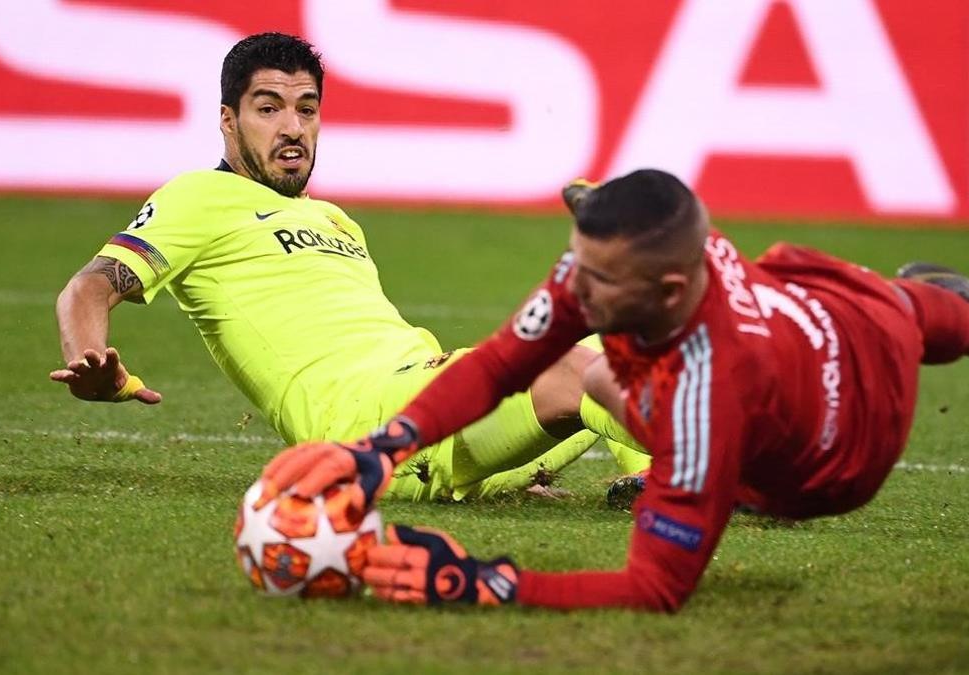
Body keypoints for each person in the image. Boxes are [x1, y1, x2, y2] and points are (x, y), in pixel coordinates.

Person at [257, 168, 969, 611]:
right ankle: (968, 320)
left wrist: (483, 581)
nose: (570, 288)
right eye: (576, 261)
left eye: (596, 279)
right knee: (601, 367)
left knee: (899, 318)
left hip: (845, 444)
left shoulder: (711, 392)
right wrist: (384, 447)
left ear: (665, 287)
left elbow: (655, 587)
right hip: (798, 303)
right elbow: (500, 363)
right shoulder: (621, 273)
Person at [49, 31, 646, 502]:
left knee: (612, 328)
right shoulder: (195, 198)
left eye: (307, 109)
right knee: (569, 363)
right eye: (269, 108)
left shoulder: (335, 219)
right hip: (369, 434)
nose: (292, 128)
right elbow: (90, 286)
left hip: (432, 395)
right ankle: (720, 468)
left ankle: (643, 479)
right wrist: (86, 359)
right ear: (228, 119)